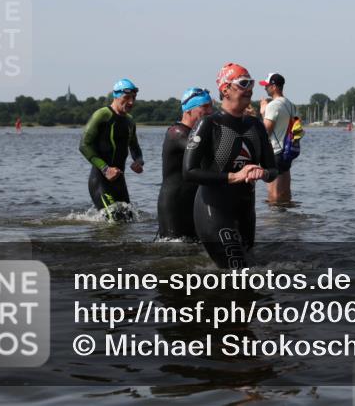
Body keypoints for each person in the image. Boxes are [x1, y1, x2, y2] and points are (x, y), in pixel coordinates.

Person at [184, 63, 277, 268]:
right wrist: (234, 177)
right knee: (238, 272)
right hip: (213, 208)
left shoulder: (256, 125)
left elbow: (273, 170)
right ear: (225, 89)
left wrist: (262, 173)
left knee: (250, 272)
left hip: (245, 210)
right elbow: (189, 172)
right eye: (243, 83)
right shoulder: (209, 124)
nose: (250, 89)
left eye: (251, 84)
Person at [79, 78, 144, 221]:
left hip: (119, 180)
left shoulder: (130, 121)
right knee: (113, 221)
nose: (131, 102)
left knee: (128, 220)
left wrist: (138, 161)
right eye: (126, 97)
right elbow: (84, 145)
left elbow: (135, 147)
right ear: (115, 96)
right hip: (101, 179)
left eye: (133, 98)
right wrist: (105, 169)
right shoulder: (102, 115)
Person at [157, 87, 214, 240]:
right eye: (204, 107)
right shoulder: (176, 133)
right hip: (174, 205)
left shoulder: (198, 133)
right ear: (188, 111)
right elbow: (201, 150)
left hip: (193, 204)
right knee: (174, 253)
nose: (210, 111)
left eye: (211, 106)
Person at [259, 72, 298, 204]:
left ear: (274, 86)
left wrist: (263, 112)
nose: (265, 88)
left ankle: (275, 221)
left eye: (267, 85)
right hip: (288, 152)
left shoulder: (273, 105)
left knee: (273, 193)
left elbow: (265, 132)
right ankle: (286, 217)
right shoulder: (290, 104)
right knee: (285, 191)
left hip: (275, 152)